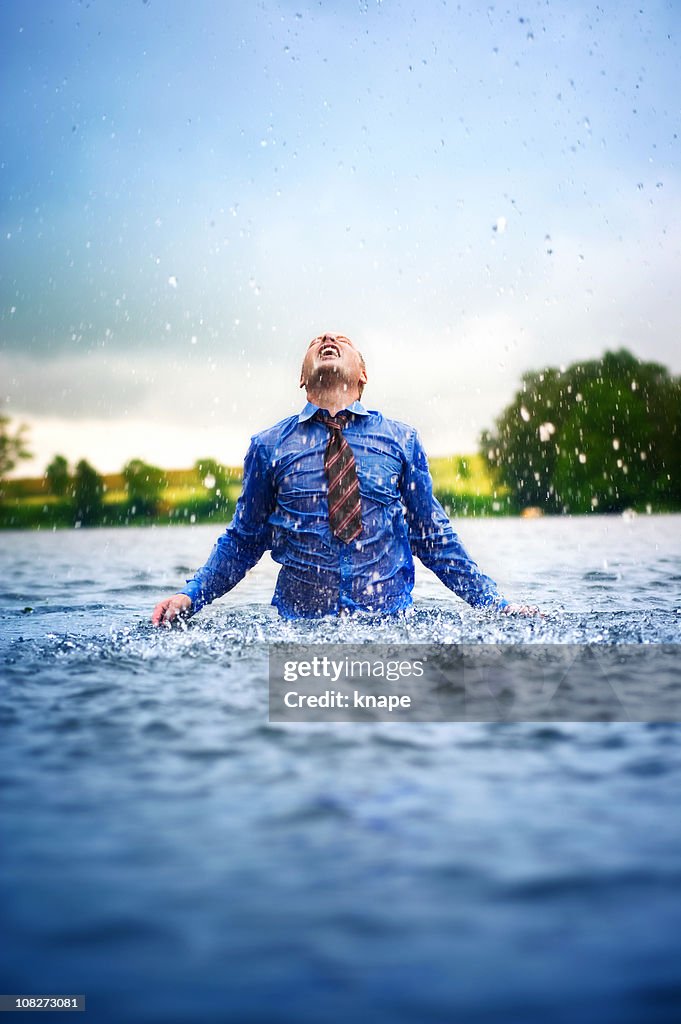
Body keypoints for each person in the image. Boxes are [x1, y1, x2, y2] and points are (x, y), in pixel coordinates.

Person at [152, 333, 536, 626]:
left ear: (363, 375)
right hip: (300, 630)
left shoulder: (401, 440)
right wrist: (191, 597)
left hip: (388, 626)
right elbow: (244, 539)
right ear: (302, 377)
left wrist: (496, 607)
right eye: (316, 340)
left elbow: (432, 537)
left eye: (342, 340)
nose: (328, 339)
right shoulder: (268, 446)